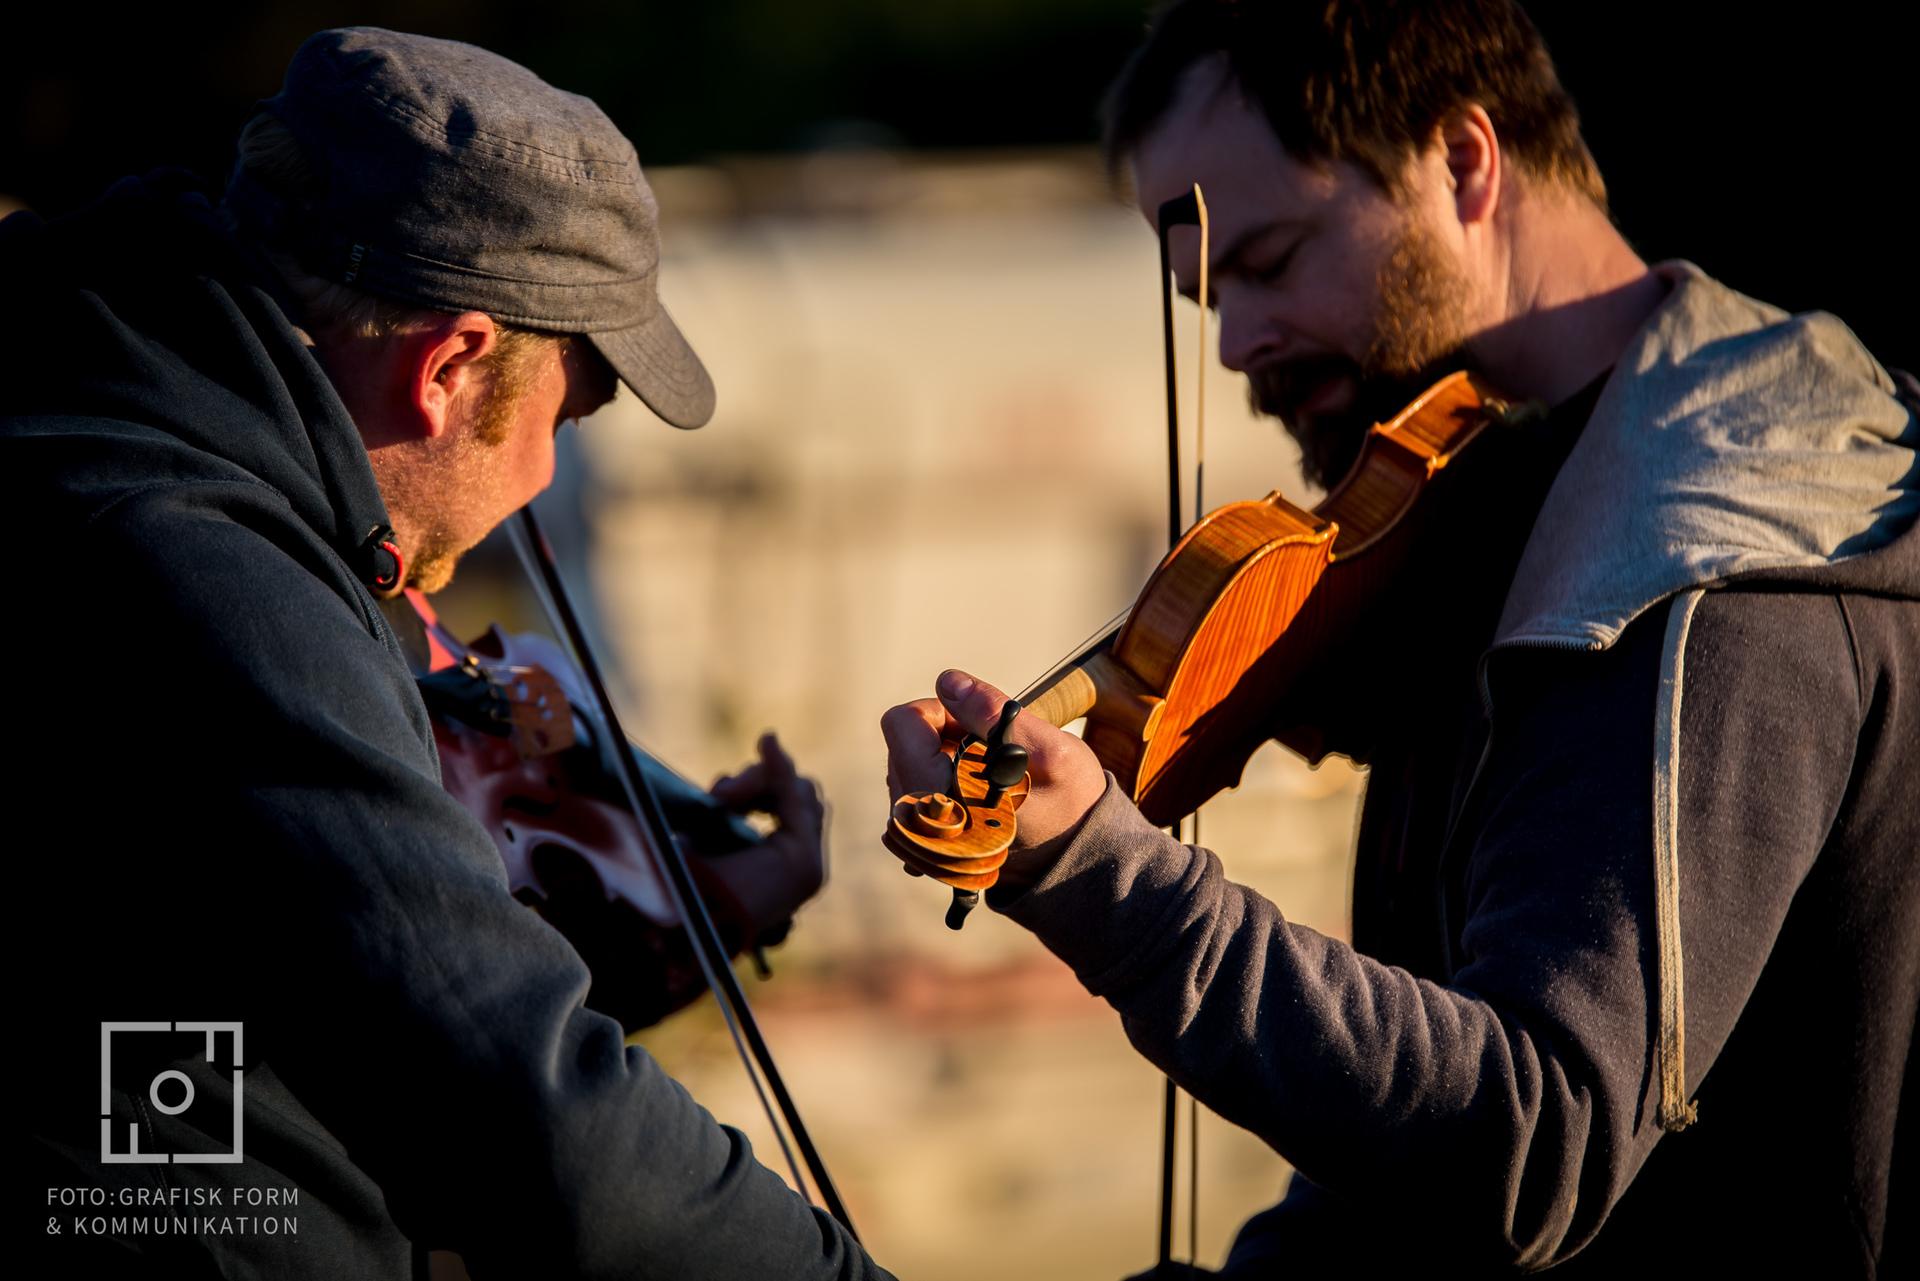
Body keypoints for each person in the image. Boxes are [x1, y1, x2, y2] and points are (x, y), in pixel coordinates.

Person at [881, 1, 1916, 1274]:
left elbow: (1529, 1144)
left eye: (1268, 259)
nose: (1235, 342)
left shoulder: (1705, 560)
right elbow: (1407, 1199)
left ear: (1465, 164)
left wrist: (1109, 882)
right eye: (1209, 294)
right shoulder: (1477, 503)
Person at [7, 27, 891, 1280]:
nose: (539, 481)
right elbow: (512, 1103)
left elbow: (345, 995)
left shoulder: (92, 395)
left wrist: (698, 908)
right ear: (453, 366)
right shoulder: (196, 572)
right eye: (566, 418)